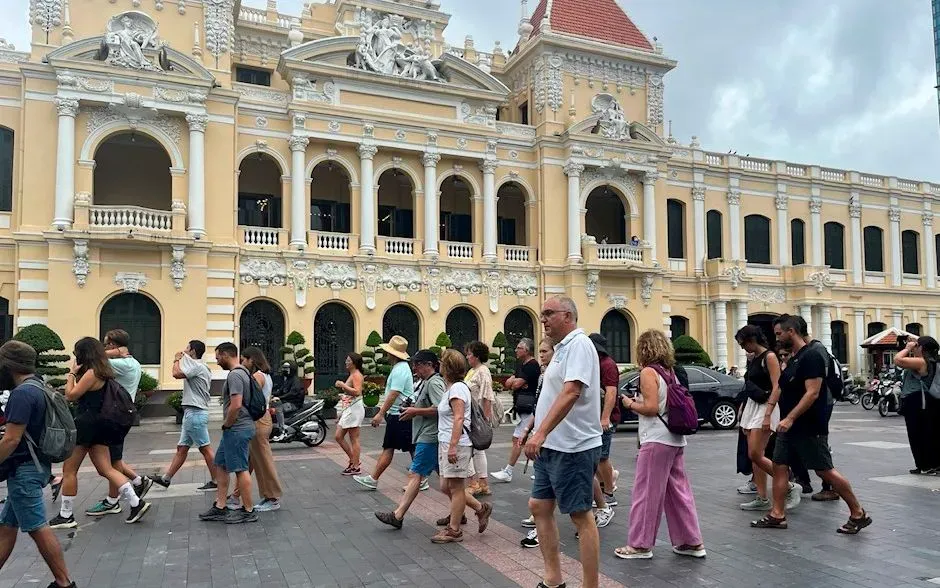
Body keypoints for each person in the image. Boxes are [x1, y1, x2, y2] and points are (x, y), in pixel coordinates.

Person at [751, 315, 870, 534]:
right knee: (779, 467)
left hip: (808, 426)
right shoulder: (795, 358)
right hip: (789, 428)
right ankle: (777, 514)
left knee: (824, 470)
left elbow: (813, 393)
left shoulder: (812, 356)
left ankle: (858, 512)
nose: (776, 338)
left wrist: (790, 418)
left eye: (779, 334)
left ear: (791, 332)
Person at [524, 296, 602, 588]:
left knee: (581, 515)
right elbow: (552, 395)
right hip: (551, 445)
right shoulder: (560, 350)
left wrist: (541, 432)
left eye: (548, 313)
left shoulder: (579, 345)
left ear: (567, 315)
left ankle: (590, 585)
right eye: (542, 314)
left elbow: (571, 392)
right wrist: (536, 431)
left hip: (573, 446)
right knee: (539, 506)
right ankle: (553, 579)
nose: (542, 319)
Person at [614, 329, 705, 560]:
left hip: (656, 439)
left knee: (646, 494)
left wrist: (629, 404)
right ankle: (691, 542)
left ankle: (640, 545)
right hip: (674, 439)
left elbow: (652, 408)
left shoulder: (647, 372)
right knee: (678, 493)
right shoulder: (669, 372)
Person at [50, 337, 150, 528]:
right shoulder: (105, 372)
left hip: (86, 425)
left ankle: (66, 515)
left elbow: (70, 395)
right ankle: (136, 503)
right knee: (106, 469)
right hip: (101, 425)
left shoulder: (91, 373)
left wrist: (71, 373)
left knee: (69, 470)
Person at [0, 341, 76, 588]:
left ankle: (64, 582)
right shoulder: (40, 386)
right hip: (36, 466)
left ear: (8, 364)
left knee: (37, 527)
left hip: (24, 469)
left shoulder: (22, 394)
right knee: (7, 526)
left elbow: (11, 439)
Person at [83, 330, 153, 517]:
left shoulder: (121, 364)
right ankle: (138, 481)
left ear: (113, 345)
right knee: (114, 459)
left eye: (106, 344)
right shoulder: (132, 362)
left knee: (110, 463)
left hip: (114, 416)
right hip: (121, 415)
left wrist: (108, 353)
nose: (104, 348)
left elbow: (92, 360)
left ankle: (114, 501)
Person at [374, 349, 446, 529]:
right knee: (447, 482)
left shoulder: (434, 382)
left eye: (418, 364)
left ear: (429, 365)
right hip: (426, 433)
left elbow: (441, 409)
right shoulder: (425, 382)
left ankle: (398, 515)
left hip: (430, 435)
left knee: (416, 474)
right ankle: (472, 508)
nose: (414, 368)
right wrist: (413, 409)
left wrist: (416, 411)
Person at [431, 349, 493, 544]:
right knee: (445, 486)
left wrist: (452, 446)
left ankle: (454, 529)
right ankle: (480, 508)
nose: (439, 364)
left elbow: (459, 418)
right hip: (447, 441)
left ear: (447, 367)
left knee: (456, 488)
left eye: (442, 362)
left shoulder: (457, 389)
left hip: (457, 444)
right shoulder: (451, 387)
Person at [735, 325, 793, 511]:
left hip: (766, 406)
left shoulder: (769, 357)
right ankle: (761, 496)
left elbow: (778, 386)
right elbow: (750, 385)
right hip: (754, 406)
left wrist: (768, 413)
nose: (743, 348)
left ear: (752, 340)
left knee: (755, 453)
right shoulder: (754, 359)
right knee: (755, 456)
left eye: (744, 344)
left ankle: (789, 485)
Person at [199, 342, 258, 524]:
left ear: (226, 354)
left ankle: (248, 510)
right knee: (221, 465)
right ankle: (220, 506)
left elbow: (236, 404)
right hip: (237, 427)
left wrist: (227, 424)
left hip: (237, 428)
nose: (217, 362)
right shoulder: (243, 373)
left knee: (240, 469)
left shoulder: (235, 375)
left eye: (217, 358)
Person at [152, 340, 216, 490]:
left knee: (205, 449)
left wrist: (176, 359)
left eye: (187, 347)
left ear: (193, 351)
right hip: (192, 412)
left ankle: (217, 481)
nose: (184, 350)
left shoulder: (197, 366)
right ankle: (166, 479)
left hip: (195, 413)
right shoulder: (200, 366)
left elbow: (176, 373)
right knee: (182, 448)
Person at [354, 335, 416, 491]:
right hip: (400, 413)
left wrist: (380, 413)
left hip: (399, 414)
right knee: (409, 448)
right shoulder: (400, 368)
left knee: (394, 447)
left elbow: (394, 393)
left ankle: (374, 479)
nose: (386, 354)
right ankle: (420, 478)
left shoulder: (400, 369)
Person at [232, 347, 282, 512]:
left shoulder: (257, 376)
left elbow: (248, 397)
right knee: (249, 461)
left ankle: (272, 497)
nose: (242, 363)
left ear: (251, 360)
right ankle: (235, 495)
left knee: (263, 461)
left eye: (244, 360)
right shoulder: (266, 376)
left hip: (258, 421)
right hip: (262, 419)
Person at [519, 336, 555, 548]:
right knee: (543, 493)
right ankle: (539, 526)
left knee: (578, 487)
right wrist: (528, 429)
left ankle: (598, 508)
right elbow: (539, 407)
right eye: (540, 351)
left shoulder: (556, 375)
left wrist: (540, 432)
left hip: (554, 438)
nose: (541, 355)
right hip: (543, 436)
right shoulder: (543, 376)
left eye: (545, 352)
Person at [492, 337, 540, 483]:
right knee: (529, 439)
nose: (516, 350)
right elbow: (509, 384)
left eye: (519, 348)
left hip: (529, 407)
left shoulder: (532, 365)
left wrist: (517, 382)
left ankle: (509, 470)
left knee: (519, 439)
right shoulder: (521, 365)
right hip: (522, 407)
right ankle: (540, 470)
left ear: (526, 350)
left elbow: (516, 383)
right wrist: (516, 382)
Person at [894, 336, 940, 475]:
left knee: (917, 433)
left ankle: (925, 465)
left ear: (922, 348)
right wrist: (915, 341)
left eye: (917, 345)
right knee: (930, 432)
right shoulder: (933, 360)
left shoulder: (921, 362)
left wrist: (907, 348)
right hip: (928, 401)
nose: (914, 347)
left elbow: (898, 360)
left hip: (918, 401)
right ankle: (931, 463)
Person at [464, 341, 496, 497]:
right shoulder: (472, 371)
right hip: (470, 414)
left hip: (476, 415)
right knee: (476, 449)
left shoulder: (483, 371)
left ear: (476, 356)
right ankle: (481, 482)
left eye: (469, 354)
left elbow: (487, 395)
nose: (467, 356)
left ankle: (476, 482)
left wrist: (485, 418)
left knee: (473, 449)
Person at [334, 353, 365, 475]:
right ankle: (353, 460)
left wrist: (342, 385)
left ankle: (355, 465)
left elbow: (357, 392)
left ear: (354, 362)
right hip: (349, 408)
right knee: (338, 436)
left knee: (354, 438)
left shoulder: (356, 375)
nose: (346, 362)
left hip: (354, 409)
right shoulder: (352, 375)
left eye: (348, 360)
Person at [271, 361, 307, 442]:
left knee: (278, 409)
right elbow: (280, 391)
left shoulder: (295, 380)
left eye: (286, 368)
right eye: (284, 368)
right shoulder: (287, 380)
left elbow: (292, 393)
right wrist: (270, 394)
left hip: (294, 404)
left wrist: (279, 398)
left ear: (292, 369)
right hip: (287, 402)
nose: (284, 370)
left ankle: (282, 431)